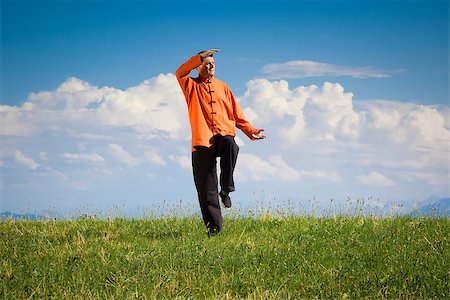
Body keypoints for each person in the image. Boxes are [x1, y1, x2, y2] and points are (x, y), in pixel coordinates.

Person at [176, 49, 266, 236]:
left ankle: (225, 190)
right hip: (201, 141)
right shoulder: (190, 85)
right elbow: (180, 72)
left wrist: (250, 130)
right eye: (206, 63)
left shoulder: (223, 86)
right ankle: (214, 229)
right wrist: (198, 57)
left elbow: (236, 113)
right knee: (206, 188)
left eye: (212, 64)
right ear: (198, 66)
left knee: (231, 145)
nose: (210, 66)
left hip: (223, 135)